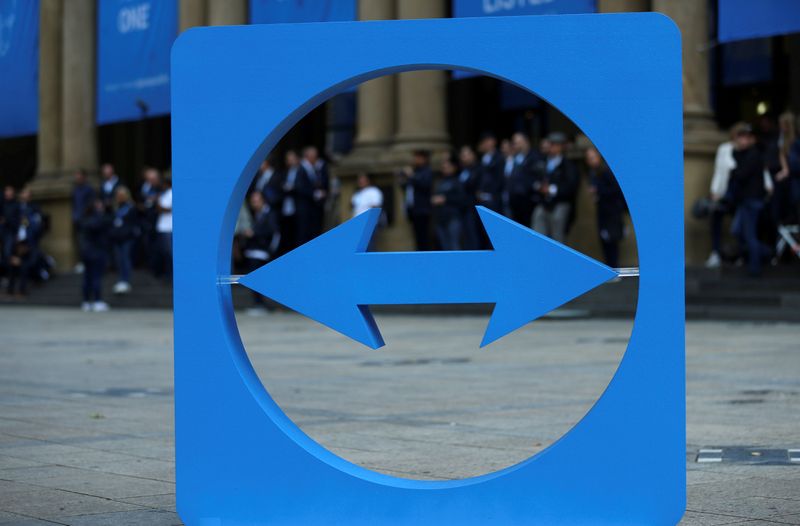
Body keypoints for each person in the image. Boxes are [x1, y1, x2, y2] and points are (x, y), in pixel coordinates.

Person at [730, 124, 773, 277]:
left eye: (745, 137)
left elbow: (741, 174)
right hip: (746, 200)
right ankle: (766, 252)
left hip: (752, 200)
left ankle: (756, 266)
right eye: (740, 137)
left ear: (751, 140)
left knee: (749, 235)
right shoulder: (743, 154)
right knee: (738, 231)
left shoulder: (753, 155)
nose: (741, 141)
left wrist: (734, 170)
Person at [532, 132, 579, 243]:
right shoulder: (542, 161)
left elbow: (571, 187)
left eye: (554, 144)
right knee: (537, 227)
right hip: (543, 203)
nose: (551, 147)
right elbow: (532, 178)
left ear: (560, 147)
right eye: (550, 143)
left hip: (560, 204)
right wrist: (539, 186)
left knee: (557, 235)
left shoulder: (568, 165)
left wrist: (551, 189)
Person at [705, 125, 741, 268]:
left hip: (739, 194)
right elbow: (719, 171)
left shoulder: (747, 151)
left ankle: (739, 255)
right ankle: (715, 253)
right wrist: (714, 191)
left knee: (740, 225)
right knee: (716, 220)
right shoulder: (725, 149)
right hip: (724, 193)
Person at [241, 191, 281, 315]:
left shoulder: (269, 214)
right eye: (252, 201)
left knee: (258, 280)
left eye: (256, 201)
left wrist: (255, 235)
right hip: (253, 251)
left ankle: (261, 304)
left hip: (262, 252)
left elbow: (274, 234)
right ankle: (258, 303)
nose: (254, 204)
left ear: (263, 200)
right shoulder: (257, 214)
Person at [586, 147, 626, 268]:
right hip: (602, 211)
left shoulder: (606, 171)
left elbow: (616, 190)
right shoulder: (593, 173)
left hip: (612, 211)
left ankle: (614, 267)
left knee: (611, 241)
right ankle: (611, 267)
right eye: (588, 159)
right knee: (604, 241)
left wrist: (599, 190)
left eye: (592, 157)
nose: (590, 161)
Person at [78, 198, 112, 312]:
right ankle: (97, 301)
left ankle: (86, 301)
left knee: (87, 277)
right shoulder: (99, 219)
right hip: (97, 251)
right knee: (96, 276)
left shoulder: (85, 219)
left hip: (86, 252)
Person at [432, 153, 468, 251]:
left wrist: (445, 199)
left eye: (447, 166)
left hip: (453, 218)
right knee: (444, 247)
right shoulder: (440, 182)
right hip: (440, 219)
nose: (445, 168)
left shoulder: (457, 181)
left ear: (453, 167)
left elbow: (462, 199)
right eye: (443, 166)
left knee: (454, 246)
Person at [281, 149, 315, 251]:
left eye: (292, 159)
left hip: (300, 207)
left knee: (300, 234)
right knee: (289, 233)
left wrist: (293, 188)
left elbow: (307, 188)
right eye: (288, 159)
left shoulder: (302, 170)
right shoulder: (286, 172)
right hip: (288, 208)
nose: (290, 161)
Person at [401, 150, 433, 251]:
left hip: (423, 210)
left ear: (424, 159)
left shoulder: (426, 171)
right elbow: (408, 188)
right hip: (413, 210)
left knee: (424, 237)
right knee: (417, 237)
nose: (415, 160)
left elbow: (425, 185)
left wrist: (411, 176)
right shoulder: (416, 171)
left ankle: (425, 258)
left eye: (417, 157)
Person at [110, 186, 139, 294]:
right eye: (118, 195)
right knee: (119, 259)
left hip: (127, 238)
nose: (119, 197)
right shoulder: (116, 207)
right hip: (117, 238)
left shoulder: (131, 207)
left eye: (121, 195)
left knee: (125, 258)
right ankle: (120, 280)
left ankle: (126, 280)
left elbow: (133, 223)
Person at [507, 132, 539, 227]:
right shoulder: (514, 158)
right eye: (514, 143)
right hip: (515, 203)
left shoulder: (534, 157)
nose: (515, 145)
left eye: (517, 142)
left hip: (529, 202)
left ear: (525, 142)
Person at [302, 146, 330, 239]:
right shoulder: (303, 168)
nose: (315, 158)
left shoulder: (318, 166)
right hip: (305, 207)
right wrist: (316, 194)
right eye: (313, 156)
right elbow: (302, 187)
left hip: (315, 207)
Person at [458, 145, 481, 249]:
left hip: (472, 209)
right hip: (462, 209)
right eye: (462, 155)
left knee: (473, 236)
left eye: (466, 154)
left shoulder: (477, 170)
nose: (464, 157)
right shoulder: (462, 171)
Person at [476, 132, 504, 215]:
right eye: (484, 142)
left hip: (494, 198)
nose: (486, 144)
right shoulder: (482, 158)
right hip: (482, 198)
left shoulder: (499, 157)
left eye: (488, 141)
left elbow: (500, 178)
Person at [155, 176, 173, 280]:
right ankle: (167, 273)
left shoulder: (171, 193)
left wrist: (157, 203)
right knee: (164, 252)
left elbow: (166, 208)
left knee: (169, 252)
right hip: (163, 227)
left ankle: (170, 274)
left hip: (168, 227)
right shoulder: (165, 194)